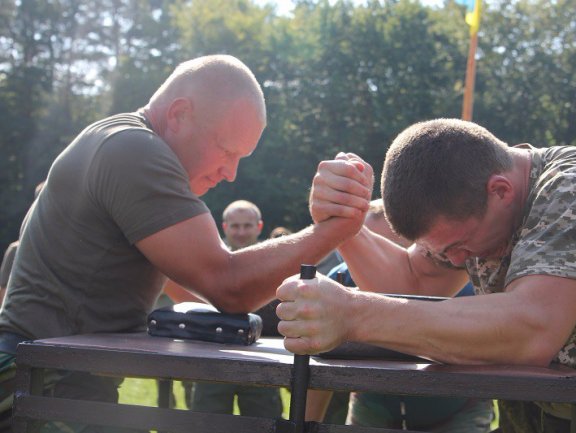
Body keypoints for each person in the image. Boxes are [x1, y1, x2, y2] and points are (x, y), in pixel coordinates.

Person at [0, 54, 373, 432]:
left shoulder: (118, 141)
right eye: (227, 151)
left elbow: (196, 292)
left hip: (45, 379)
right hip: (38, 385)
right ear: (179, 115)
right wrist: (335, 230)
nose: (231, 173)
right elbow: (227, 285)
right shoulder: (134, 150)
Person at [276, 118, 576, 433]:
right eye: (443, 251)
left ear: (500, 190)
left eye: (461, 247)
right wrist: (346, 225)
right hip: (545, 413)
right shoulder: (472, 207)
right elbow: (410, 285)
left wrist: (353, 312)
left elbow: (531, 331)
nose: (455, 261)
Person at [327, 199, 493, 432]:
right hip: (373, 406)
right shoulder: (341, 281)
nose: (371, 260)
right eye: (365, 248)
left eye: (390, 249)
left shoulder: (466, 286)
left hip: (457, 408)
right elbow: (319, 363)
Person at [191, 199, 282, 418]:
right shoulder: (208, 259)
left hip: (263, 358)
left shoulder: (275, 260)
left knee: (265, 424)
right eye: (235, 226)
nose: (241, 232)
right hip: (212, 359)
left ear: (259, 226)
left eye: (247, 225)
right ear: (224, 227)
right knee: (206, 424)